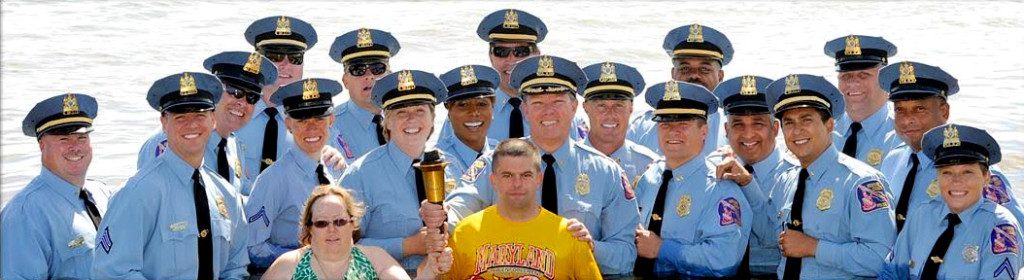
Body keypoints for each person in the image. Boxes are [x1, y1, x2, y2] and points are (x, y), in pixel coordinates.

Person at [441, 55, 639, 276]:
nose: (548, 112)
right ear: (525, 109)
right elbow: (460, 207)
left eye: (557, 102)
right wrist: (440, 219)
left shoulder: (606, 171)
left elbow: (626, 256)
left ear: (574, 107)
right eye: (538, 103)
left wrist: (589, 246)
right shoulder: (496, 161)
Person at [92, 72, 249, 279]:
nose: (191, 125)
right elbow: (111, 272)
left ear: (212, 119)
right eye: (180, 117)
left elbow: (235, 268)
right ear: (164, 122)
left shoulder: (226, 194)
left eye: (200, 115)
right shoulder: (137, 194)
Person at [765, 74, 896, 279]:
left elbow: (879, 259)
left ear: (830, 125)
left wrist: (814, 247)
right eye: (788, 123)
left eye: (806, 120)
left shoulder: (862, 183)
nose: (797, 131)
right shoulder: (786, 180)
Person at [877, 61, 1024, 233]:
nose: (907, 119)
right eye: (900, 109)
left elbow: (1014, 233)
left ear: (944, 112)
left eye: (919, 109)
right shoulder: (892, 161)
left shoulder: (975, 170)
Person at [422, 138, 602, 279]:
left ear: (539, 179)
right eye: (507, 175)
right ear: (493, 180)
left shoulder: (570, 236)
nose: (517, 184)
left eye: (526, 175)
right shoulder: (464, 233)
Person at [339, 69, 460, 274]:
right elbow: (340, 247)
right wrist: (408, 245)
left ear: (432, 119)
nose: (411, 119)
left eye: (420, 111)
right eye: (401, 112)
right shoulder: (360, 176)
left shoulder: (452, 165)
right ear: (387, 121)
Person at [633, 80, 751, 278]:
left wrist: (662, 249)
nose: (673, 131)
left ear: (703, 131)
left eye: (683, 123)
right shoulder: (649, 177)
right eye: (665, 123)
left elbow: (723, 259)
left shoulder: (720, 187)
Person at [880, 124, 1023, 279]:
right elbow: (891, 273)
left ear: (986, 177)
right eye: (947, 172)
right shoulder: (922, 215)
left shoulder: (1000, 229)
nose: (956, 181)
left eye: (967, 172)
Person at [1, 93, 113, 279]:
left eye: (81, 138)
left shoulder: (103, 194)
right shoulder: (24, 214)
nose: (75, 147)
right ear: (42, 145)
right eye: (64, 139)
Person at [136, 51, 277, 195]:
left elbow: (240, 199)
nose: (242, 102)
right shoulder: (171, 141)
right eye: (234, 91)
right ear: (214, 93)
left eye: (252, 97)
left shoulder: (234, 146)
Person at [438, 9, 588, 141]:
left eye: (521, 51)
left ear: (537, 55)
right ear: (491, 56)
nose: (512, 60)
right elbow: (446, 158)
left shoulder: (561, 111)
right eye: (501, 52)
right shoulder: (467, 110)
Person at [245, 78, 346, 273]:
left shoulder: (335, 169)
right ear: (289, 123)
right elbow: (252, 248)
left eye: (319, 118)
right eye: (302, 120)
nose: (311, 128)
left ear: (331, 120)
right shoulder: (272, 180)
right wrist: (305, 259)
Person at [709, 75, 797, 278]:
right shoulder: (711, 168)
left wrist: (747, 183)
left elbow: (776, 238)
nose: (748, 135)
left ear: (775, 129)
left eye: (758, 124)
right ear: (726, 130)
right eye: (738, 124)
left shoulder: (794, 174)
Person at [262, 185, 450, 279]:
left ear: (353, 224)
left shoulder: (375, 259)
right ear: (309, 228)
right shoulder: (288, 266)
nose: (332, 229)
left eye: (340, 221)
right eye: (321, 223)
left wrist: (430, 270)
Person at [235, 15, 317, 185]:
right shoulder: (231, 115)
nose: (284, 64)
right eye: (274, 56)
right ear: (256, 60)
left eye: (295, 57)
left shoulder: (317, 124)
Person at [628, 23, 730, 156]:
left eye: (704, 69)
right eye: (685, 68)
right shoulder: (642, 128)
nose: (694, 75)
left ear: (720, 76)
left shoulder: (735, 129)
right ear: (673, 74)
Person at [824, 35, 902, 168]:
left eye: (863, 75)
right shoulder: (823, 131)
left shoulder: (903, 134)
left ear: (885, 80)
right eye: (846, 76)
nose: (853, 83)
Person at [327, 28, 400, 161]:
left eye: (377, 68)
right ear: (345, 81)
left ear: (390, 76)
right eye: (358, 70)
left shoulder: (407, 120)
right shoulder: (329, 126)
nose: (369, 76)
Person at [581, 62, 659, 181]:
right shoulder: (564, 163)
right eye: (601, 105)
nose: (610, 113)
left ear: (631, 107)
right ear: (585, 107)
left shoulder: (649, 166)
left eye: (619, 105)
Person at [436, 64, 500, 177]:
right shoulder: (436, 163)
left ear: (493, 110)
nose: (474, 112)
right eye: (463, 105)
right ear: (449, 113)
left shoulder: (504, 154)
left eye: (481, 104)